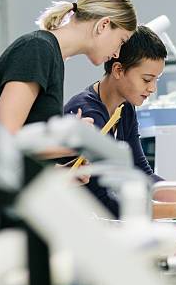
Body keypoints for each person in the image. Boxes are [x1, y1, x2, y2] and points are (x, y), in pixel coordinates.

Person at [0, 0, 137, 160]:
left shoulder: (53, 56)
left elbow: (27, 148)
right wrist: (74, 142)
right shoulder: (37, 49)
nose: (117, 53)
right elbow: (2, 139)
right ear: (103, 25)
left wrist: (65, 170)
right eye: (121, 41)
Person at [64, 25, 167, 215]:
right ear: (118, 70)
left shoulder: (124, 107)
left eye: (156, 80)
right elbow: (102, 200)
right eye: (146, 79)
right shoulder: (88, 114)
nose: (152, 88)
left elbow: (142, 173)